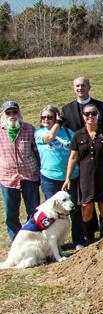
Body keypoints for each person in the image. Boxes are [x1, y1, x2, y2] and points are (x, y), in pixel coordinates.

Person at [62, 103, 103, 243]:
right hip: (86, 178)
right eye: (87, 114)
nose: (90, 116)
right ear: (83, 117)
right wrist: (68, 178)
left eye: (93, 113)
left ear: (97, 115)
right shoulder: (78, 134)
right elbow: (73, 157)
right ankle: (89, 237)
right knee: (87, 208)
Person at [35, 105, 79, 236]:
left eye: (49, 117)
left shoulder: (67, 133)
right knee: (53, 212)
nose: (46, 120)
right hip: (50, 178)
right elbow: (49, 137)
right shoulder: (39, 133)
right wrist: (58, 122)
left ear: (56, 117)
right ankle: (57, 241)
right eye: (43, 117)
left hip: (71, 177)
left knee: (74, 209)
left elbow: (75, 151)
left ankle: (79, 240)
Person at [1, 101, 41, 243]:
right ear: (3, 115)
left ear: (19, 113)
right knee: (10, 214)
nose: (12, 115)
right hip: (7, 178)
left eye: (14, 112)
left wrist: (40, 173)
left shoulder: (29, 129)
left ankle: (35, 240)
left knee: (34, 211)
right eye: (8, 112)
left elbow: (37, 152)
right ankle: (16, 243)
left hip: (29, 175)